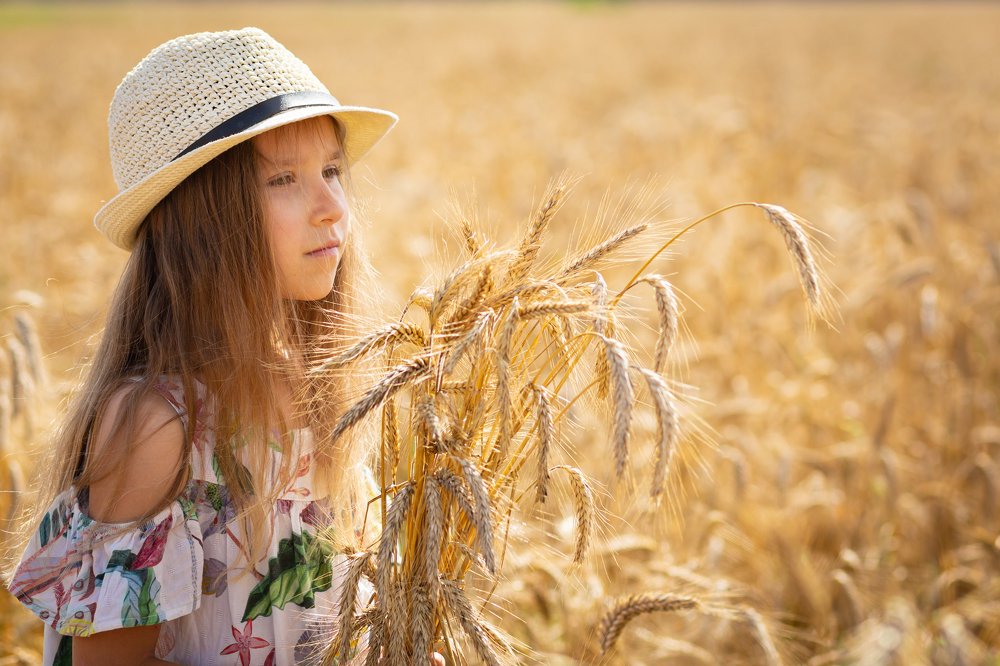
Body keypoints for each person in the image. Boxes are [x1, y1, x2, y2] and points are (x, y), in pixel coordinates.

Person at [5, 27, 442, 666]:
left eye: (330, 171)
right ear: (204, 220)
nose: (331, 208)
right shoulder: (159, 428)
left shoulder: (326, 394)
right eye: (284, 180)